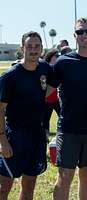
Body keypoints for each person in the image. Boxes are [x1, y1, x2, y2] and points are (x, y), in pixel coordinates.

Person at [50, 18, 87, 200]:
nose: (84, 35)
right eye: (80, 32)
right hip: (68, 128)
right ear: (74, 36)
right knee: (64, 176)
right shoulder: (63, 62)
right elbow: (47, 93)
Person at [0, 31, 50, 200]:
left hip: (36, 135)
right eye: (29, 46)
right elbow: (0, 109)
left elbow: (54, 88)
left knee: (29, 185)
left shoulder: (44, 68)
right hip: (14, 136)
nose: (33, 50)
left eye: (37, 46)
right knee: (3, 187)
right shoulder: (10, 76)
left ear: (42, 49)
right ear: (22, 48)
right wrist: (2, 140)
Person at [43, 49, 60, 137]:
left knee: (62, 117)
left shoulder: (57, 67)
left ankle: (62, 134)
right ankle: (45, 137)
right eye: (56, 56)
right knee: (46, 120)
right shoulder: (45, 68)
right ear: (51, 57)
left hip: (55, 99)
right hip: (46, 100)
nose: (58, 57)